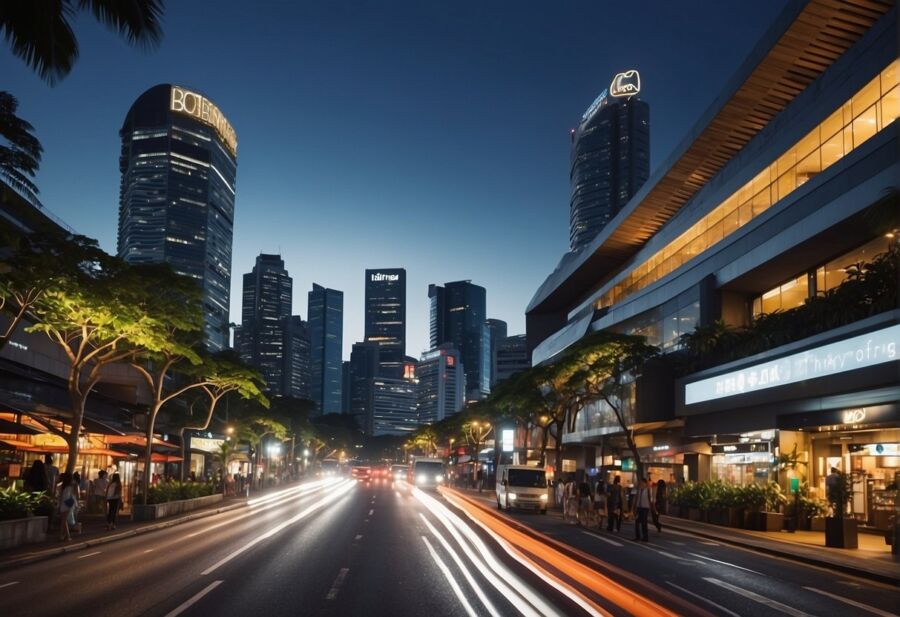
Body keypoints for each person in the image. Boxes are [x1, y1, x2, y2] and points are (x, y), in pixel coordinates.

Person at [57, 473, 79, 541]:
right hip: (69, 504)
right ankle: (66, 536)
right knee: (64, 520)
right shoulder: (71, 486)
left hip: (64, 504)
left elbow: (60, 496)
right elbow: (75, 496)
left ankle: (63, 535)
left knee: (63, 520)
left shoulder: (62, 486)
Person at [632, 477, 653, 542]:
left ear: (645, 483)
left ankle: (645, 537)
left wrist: (651, 508)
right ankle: (637, 536)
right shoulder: (638, 490)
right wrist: (633, 507)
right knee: (637, 522)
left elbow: (650, 499)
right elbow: (635, 498)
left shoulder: (648, 490)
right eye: (640, 482)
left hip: (645, 507)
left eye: (642, 482)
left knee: (644, 522)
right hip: (639, 507)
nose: (640, 483)